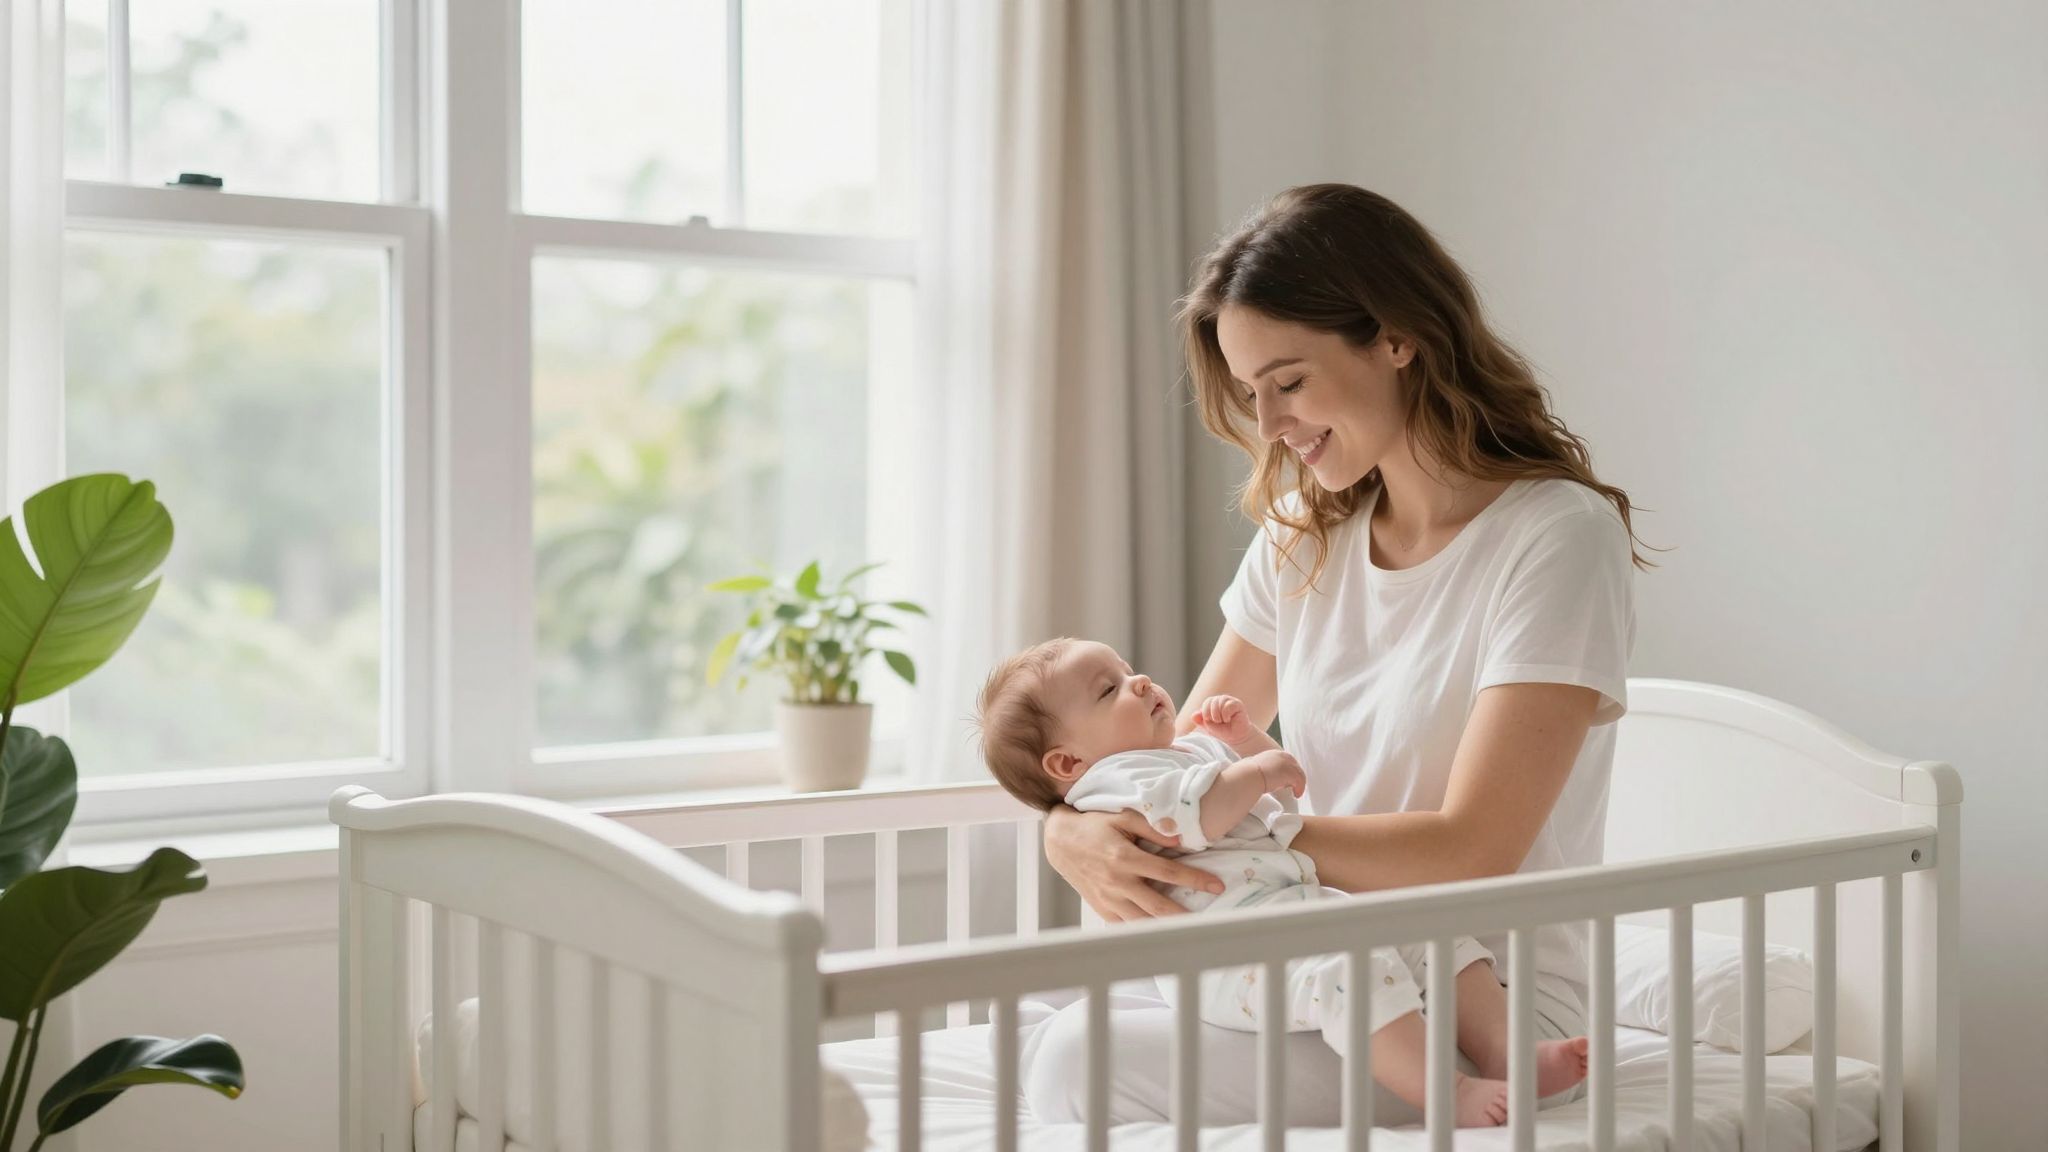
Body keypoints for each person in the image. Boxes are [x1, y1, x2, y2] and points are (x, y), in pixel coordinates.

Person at [1017, 183, 1642, 1128]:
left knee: (1075, 1056)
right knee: (1048, 1003)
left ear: (1395, 337)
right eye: (1250, 392)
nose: (1267, 425)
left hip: (1476, 999)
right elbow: (1175, 760)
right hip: (1309, 945)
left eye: (1290, 382)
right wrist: (1072, 831)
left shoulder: (1555, 538)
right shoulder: (1303, 536)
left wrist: (1236, 843)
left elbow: (1473, 847)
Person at [977, 637, 1590, 1127]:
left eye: (1128, 668)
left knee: (1436, 939)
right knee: (1349, 974)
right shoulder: (1119, 780)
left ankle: (1507, 1050)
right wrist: (1255, 770)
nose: (1138, 681)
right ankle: (1448, 1092)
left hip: (1296, 914)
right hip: (1235, 955)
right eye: (1110, 689)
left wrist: (1244, 741)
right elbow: (1198, 815)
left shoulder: (1179, 755)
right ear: (1067, 765)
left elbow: (1278, 806)